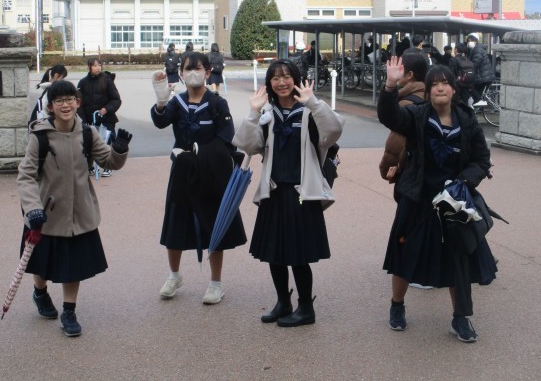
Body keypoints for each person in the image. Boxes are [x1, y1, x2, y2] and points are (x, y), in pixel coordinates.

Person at [378, 59, 497, 343]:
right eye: (434, 84)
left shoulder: (467, 120)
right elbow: (390, 116)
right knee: (404, 253)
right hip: (417, 197)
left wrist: (463, 182)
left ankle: (460, 318)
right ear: (429, 91)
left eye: (445, 83)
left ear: (454, 89)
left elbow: (482, 160)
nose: (440, 88)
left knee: (458, 259)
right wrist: (390, 86)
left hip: (452, 202)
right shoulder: (417, 115)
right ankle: (397, 305)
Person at [233, 60, 344, 327]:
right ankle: (283, 301)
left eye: (286, 77)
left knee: (298, 255)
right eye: (275, 78)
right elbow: (247, 144)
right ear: (269, 83)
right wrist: (253, 112)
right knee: (275, 253)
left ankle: (306, 308)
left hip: (300, 193)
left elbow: (334, 130)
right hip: (273, 191)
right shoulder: (267, 113)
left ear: (296, 79)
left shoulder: (309, 112)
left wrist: (313, 102)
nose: (281, 82)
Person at [17, 80, 132, 337]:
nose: (65, 105)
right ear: (50, 107)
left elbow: (109, 162)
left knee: (73, 267)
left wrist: (120, 150)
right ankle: (40, 292)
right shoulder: (39, 137)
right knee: (41, 263)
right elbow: (25, 176)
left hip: (79, 213)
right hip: (45, 214)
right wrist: (33, 208)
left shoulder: (88, 134)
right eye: (59, 101)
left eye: (70, 99)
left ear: (77, 103)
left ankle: (69, 311)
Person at [150, 51, 247, 305]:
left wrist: (199, 153)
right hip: (182, 170)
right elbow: (161, 122)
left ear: (207, 72)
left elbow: (226, 138)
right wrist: (161, 102)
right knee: (175, 222)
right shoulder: (177, 102)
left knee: (214, 224)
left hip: (210, 173)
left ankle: (216, 283)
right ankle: (174, 276)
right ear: (181, 73)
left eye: (198, 68)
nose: (193, 73)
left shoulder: (217, 103)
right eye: (187, 68)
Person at [379, 48, 428, 185]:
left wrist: (386, 169)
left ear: (410, 75)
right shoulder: (429, 95)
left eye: (400, 68)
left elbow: (395, 145)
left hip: (410, 175)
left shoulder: (407, 103)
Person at [77, 57, 122, 177]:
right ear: (89, 67)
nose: (98, 68)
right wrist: (83, 120)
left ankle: (108, 167)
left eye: (99, 65)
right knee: (90, 143)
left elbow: (116, 100)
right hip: (90, 119)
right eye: (95, 65)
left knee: (107, 141)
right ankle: (90, 166)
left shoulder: (107, 80)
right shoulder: (83, 82)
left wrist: (107, 109)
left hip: (107, 118)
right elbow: (78, 103)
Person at [466, 34, 495, 105]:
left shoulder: (477, 50)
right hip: (484, 76)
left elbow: (475, 63)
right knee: (477, 94)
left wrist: (468, 71)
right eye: (468, 41)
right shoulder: (476, 49)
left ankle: (479, 102)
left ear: (476, 41)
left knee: (470, 87)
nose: (469, 42)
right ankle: (478, 104)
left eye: (471, 40)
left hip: (482, 77)